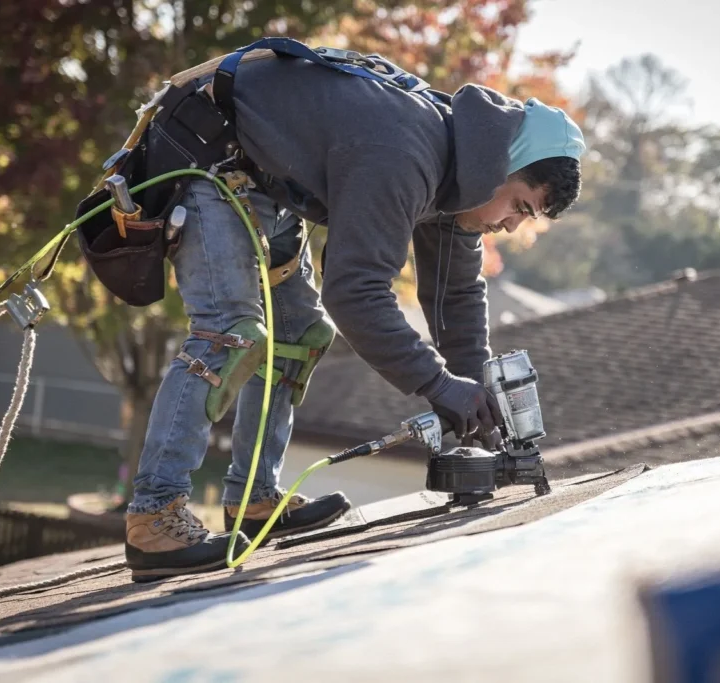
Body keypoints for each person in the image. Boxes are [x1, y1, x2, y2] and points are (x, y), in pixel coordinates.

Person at [122, 44, 585, 582]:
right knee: (232, 332)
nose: (511, 226)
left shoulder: (465, 175)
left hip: (259, 174)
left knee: (301, 332)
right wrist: (438, 385)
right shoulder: (405, 152)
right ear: (504, 162)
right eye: (520, 206)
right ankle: (155, 514)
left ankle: (253, 499)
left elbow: (456, 298)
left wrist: (476, 391)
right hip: (203, 152)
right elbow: (356, 293)